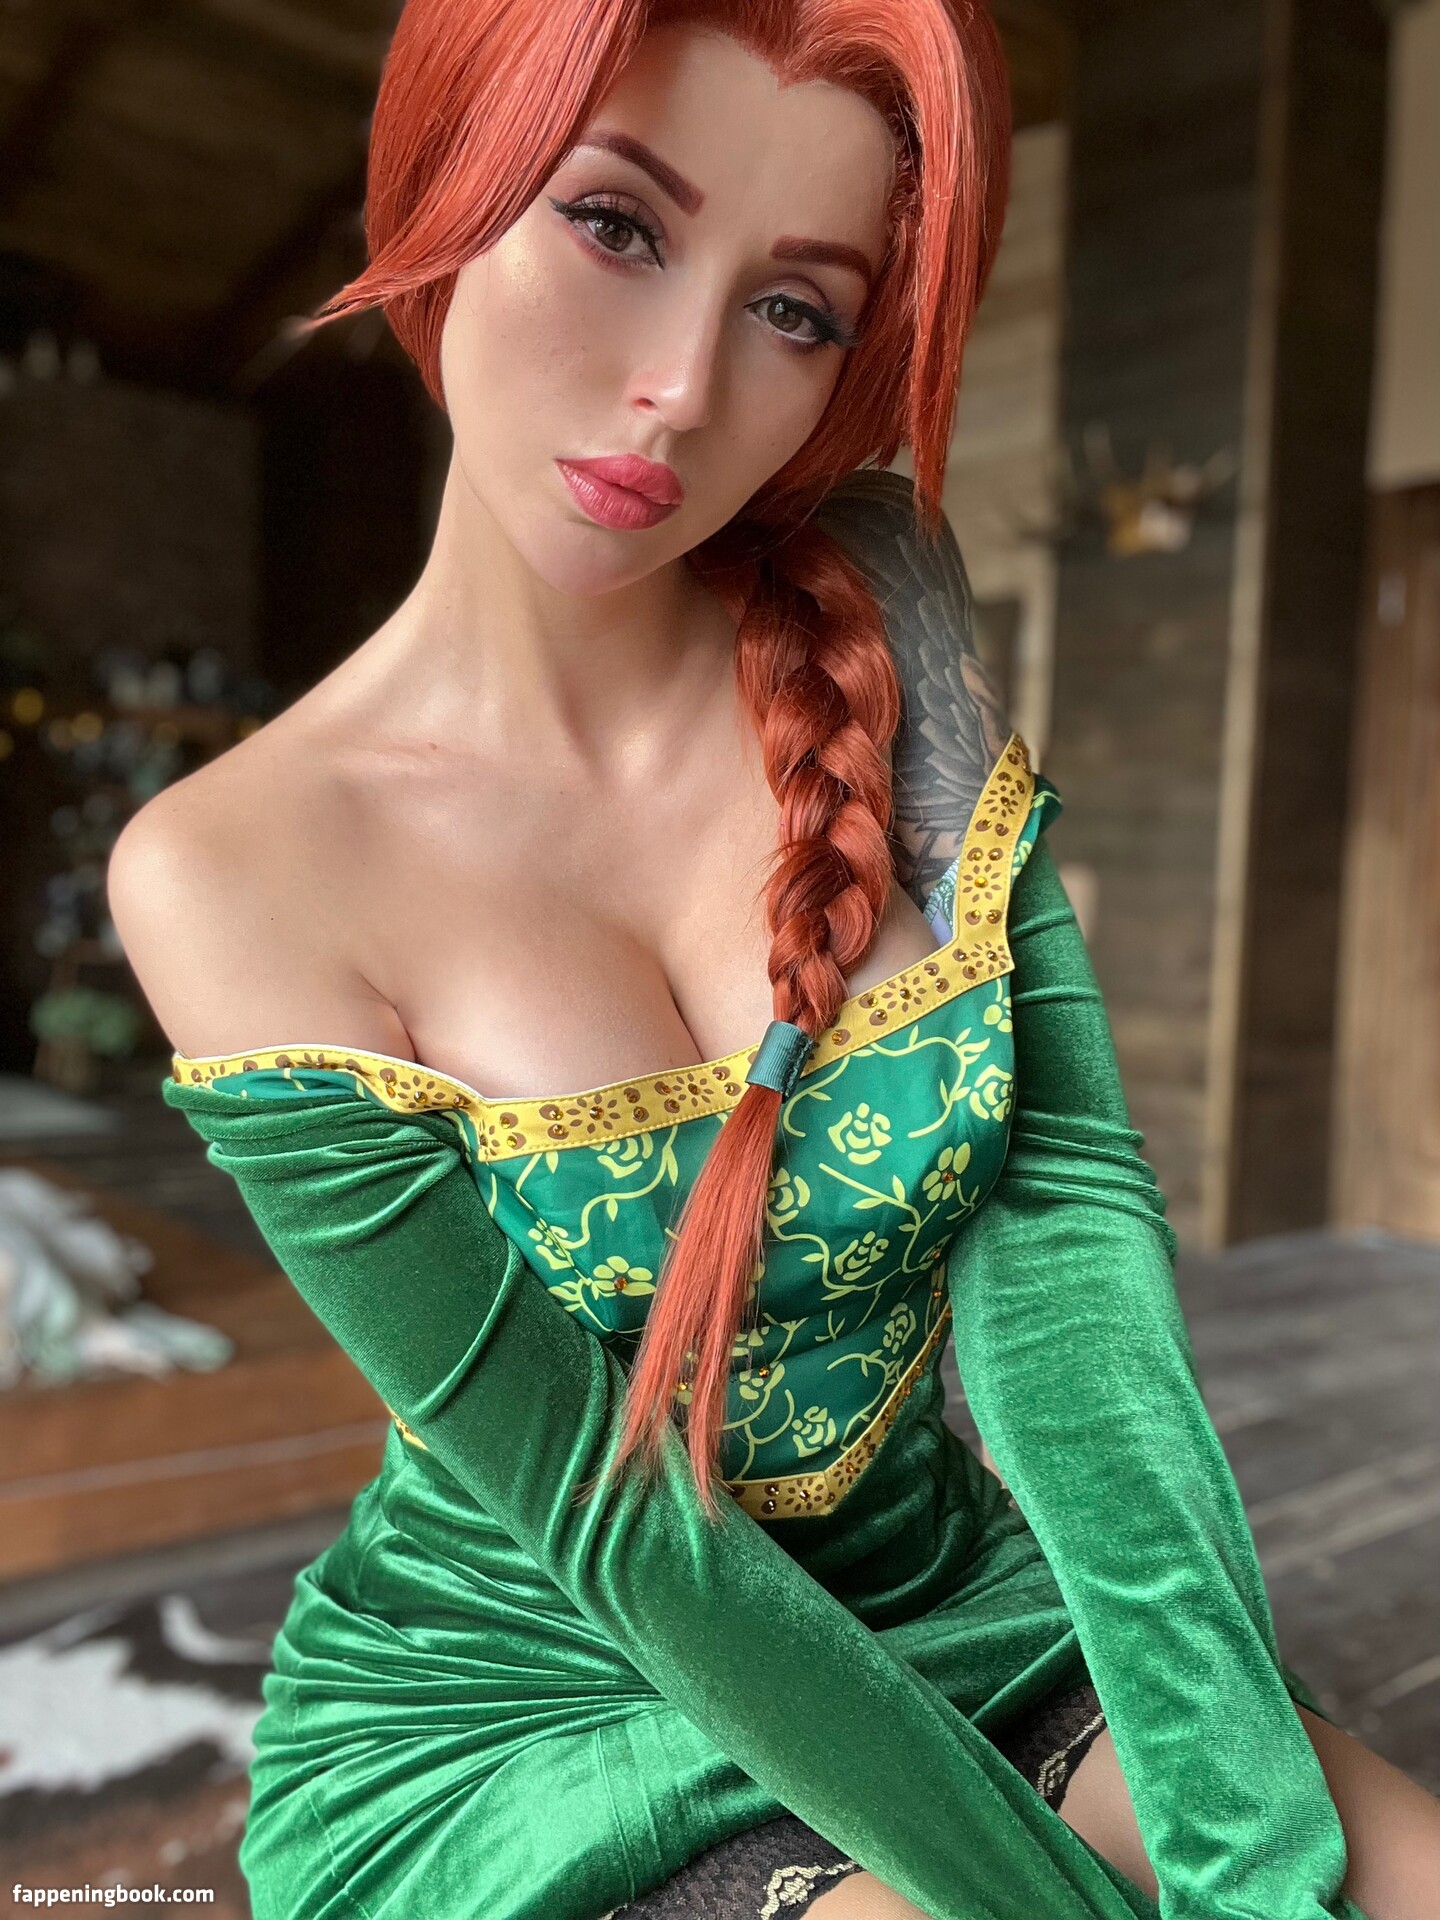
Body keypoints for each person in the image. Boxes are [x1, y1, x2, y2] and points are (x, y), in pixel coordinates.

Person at [108, 3, 1440, 1917]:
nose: (678, 389)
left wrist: (1248, 1854)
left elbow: (1066, 1232)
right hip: (540, 1698)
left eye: (795, 310)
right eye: (617, 225)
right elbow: (613, 1524)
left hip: (959, 1600)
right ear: (453, 186)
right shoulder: (229, 871)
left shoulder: (878, 611)